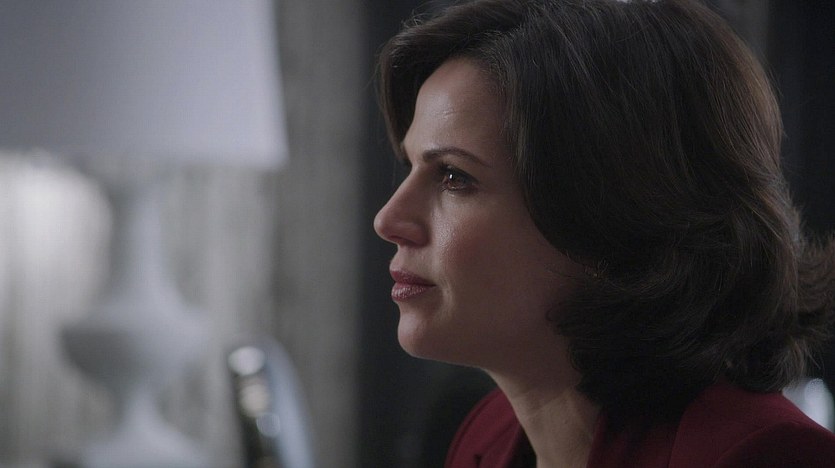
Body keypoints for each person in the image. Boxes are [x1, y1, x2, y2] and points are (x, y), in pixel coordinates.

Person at [372, 0, 835, 466]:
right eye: (410, 166)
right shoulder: (485, 437)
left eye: (454, 177)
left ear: (616, 216)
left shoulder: (765, 455)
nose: (388, 220)